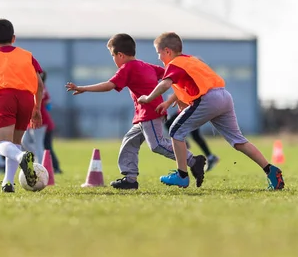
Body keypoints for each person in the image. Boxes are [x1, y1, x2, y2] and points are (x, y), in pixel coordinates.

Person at [137, 32, 284, 190]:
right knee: (238, 141)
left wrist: (148, 98)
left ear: (167, 51)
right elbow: (187, 83)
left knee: (175, 132)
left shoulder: (174, 64)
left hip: (208, 100)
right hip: (223, 96)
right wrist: (170, 101)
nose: (159, 57)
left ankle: (182, 175)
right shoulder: (190, 60)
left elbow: (165, 84)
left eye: (158, 53)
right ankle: (271, 170)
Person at [65, 33, 206, 190]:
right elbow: (171, 76)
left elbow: (109, 85)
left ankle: (193, 161)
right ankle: (130, 178)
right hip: (144, 115)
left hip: (150, 112)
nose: (113, 59)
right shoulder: (145, 65)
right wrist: (178, 96)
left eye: (113, 55)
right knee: (129, 141)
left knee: (157, 144)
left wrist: (83, 88)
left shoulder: (127, 68)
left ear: (120, 55)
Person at [0, 18, 43, 193]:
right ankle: (8, 183)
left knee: (2, 144)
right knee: (14, 143)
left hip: (3, 98)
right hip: (26, 99)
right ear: (13, 38)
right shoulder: (27, 56)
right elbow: (40, 85)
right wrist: (36, 109)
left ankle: (22, 156)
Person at [39, 71, 63, 174]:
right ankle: (53, 167)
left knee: (45, 146)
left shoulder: (38, 87)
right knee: (45, 146)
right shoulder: (43, 87)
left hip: (43, 123)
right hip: (46, 121)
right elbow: (48, 105)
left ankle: (54, 167)